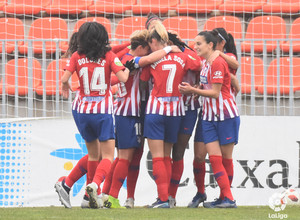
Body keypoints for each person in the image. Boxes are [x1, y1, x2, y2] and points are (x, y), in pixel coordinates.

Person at [61, 22, 132, 209]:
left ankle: (87, 199)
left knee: (93, 154)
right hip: (102, 110)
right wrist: (128, 68)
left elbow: (64, 78)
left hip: (82, 110)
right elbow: (123, 78)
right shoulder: (108, 56)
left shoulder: (77, 56)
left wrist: (65, 87)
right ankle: (94, 185)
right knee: (108, 155)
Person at [136, 22, 201, 208]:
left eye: (152, 43)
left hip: (156, 109)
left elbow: (143, 82)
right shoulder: (182, 56)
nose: (150, 47)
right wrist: (182, 48)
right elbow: (198, 63)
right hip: (176, 111)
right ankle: (166, 199)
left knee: (157, 157)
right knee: (167, 155)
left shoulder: (152, 59)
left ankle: (163, 199)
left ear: (156, 41)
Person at [179, 31, 240, 208]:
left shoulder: (219, 62)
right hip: (208, 116)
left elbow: (215, 93)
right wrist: (199, 87)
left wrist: (193, 90)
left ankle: (225, 198)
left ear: (210, 45)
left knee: (225, 158)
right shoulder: (206, 63)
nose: (195, 47)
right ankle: (226, 198)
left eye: (199, 44)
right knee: (213, 158)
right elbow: (210, 88)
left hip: (225, 115)